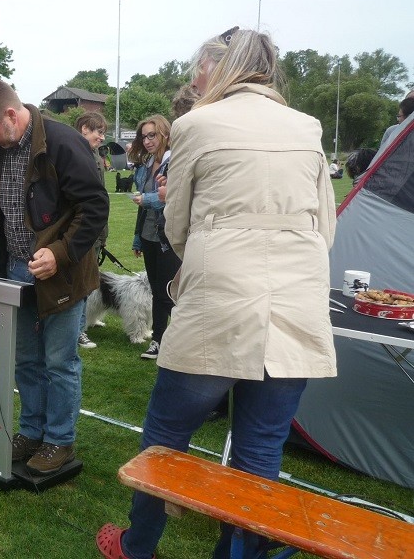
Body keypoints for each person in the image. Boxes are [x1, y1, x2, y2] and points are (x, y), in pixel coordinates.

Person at [96, 28, 337, 559]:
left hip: (220, 298)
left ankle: (137, 547)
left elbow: (177, 226)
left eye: (196, 71)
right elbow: (326, 225)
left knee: (164, 437)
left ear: (217, 70)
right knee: (259, 447)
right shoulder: (309, 126)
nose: (191, 81)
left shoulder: (194, 124)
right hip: (297, 299)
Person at [0, 78, 109, 475]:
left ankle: (59, 440)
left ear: (11, 114)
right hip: (14, 271)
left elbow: (94, 207)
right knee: (25, 360)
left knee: (59, 361)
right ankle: (30, 432)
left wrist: (59, 253)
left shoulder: (62, 143)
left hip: (62, 274)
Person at [128, 114, 180, 361]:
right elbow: (143, 205)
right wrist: (138, 238)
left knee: (170, 291)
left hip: (169, 236)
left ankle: (173, 340)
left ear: (165, 135)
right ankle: (158, 340)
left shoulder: (175, 162)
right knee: (158, 290)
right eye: (144, 136)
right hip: (150, 235)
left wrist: (147, 199)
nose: (147, 141)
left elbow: (172, 199)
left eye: (152, 135)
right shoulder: (147, 166)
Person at [73, 110, 110, 350]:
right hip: (82, 231)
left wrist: (102, 235)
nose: (102, 138)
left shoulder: (94, 154)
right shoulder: (75, 155)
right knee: (79, 284)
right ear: (84, 129)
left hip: (95, 231)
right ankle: (77, 331)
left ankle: (83, 323)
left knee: (88, 282)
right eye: (98, 132)